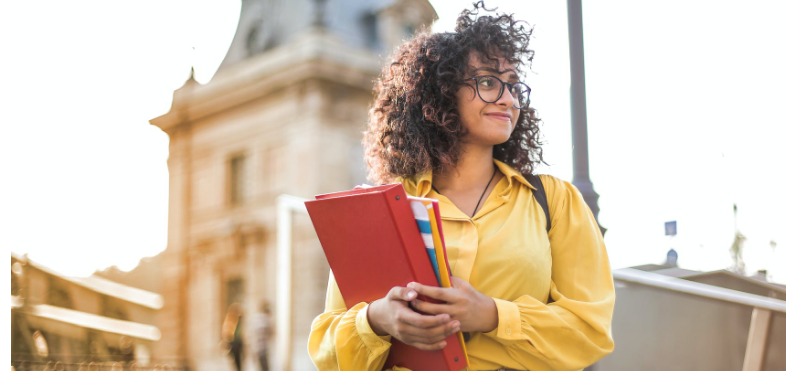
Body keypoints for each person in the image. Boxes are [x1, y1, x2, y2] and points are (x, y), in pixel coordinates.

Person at [308, 2, 615, 370]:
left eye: (514, 86)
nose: (507, 98)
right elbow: (326, 349)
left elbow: (591, 330)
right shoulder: (381, 210)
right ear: (441, 93)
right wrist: (375, 320)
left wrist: (491, 315)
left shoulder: (555, 201)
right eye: (488, 82)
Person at [249, 301, 273, 371]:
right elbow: (271, 333)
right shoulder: (265, 320)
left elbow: (251, 336)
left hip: (256, 349)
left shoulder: (255, 319)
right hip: (262, 349)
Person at [222, 303, 244, 371]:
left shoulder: (236, 320)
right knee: (237, 364)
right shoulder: (230, 321)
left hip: (237, 344)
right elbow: (228, 334)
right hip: (234, 345)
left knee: (239, 364)